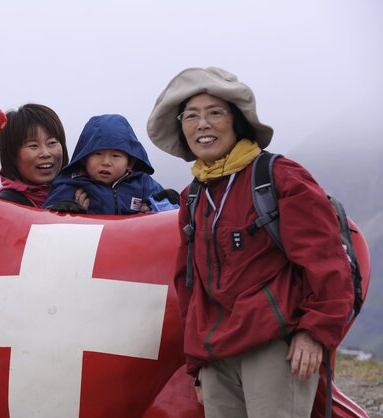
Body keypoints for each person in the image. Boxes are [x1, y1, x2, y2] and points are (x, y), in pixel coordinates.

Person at [146, 67, 353, 418]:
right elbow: (190, 285)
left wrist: (315, 332)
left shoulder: (279, 177)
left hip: (274, 347)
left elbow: (327, 260)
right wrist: (197, 362)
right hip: (216, 356)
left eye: (215, 112)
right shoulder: (193, 196)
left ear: (237, 121)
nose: (203, 124)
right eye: (191, 116)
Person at [43, 114, 175, 214]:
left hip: (132, 247)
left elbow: (172, 215)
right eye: (97, 154)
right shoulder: (71, 183)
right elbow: (44, 219)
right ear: (84, 158)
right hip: (90, 248)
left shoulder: (143, 183)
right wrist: (65, 213)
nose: (106, 162)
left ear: (130, 162)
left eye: (116, 156)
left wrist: (159, 207)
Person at [0, 103, 69, 207]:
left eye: (52, 143)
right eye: (33, 146)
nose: (45, 153)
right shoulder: (4, 207)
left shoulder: (82, 194)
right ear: (11, 155)